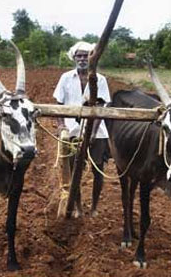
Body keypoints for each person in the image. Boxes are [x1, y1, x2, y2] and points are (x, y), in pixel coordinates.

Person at [53, 41, 111, 218]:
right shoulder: (65, 78)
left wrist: (92, 133)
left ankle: (94, 206)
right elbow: (58, 104)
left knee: (98, 169)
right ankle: (77, 206)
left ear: (91, 57)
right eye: (79, 55)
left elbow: (101, 108)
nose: (82, 59)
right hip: (72, 131)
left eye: (86, 55)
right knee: (73, 169)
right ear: (74, 58)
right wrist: (61, 125)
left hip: (97, 132)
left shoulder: (100, 79)